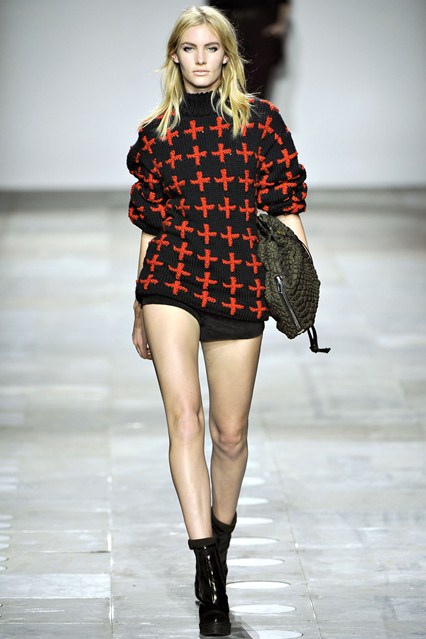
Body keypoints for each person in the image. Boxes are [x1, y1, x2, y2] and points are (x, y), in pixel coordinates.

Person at [127, 5, 307, 636]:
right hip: (171, 279)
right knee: (186, 420)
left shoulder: (261, 123)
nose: (200, 59)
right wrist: (139, 305)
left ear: (227, 55)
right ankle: (206, 570)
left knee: (230, 435)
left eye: (211, 48)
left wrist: (300, 285)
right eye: (189, 48)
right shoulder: (156, 133)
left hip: (237, 278)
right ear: (174, 57)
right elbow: (152, 224)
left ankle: (220, 545)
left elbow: (285, 204)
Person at [208, 0, 292, 98]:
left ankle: (255, 107)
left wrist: (280, 24)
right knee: (229, 77)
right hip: (231, 25)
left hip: (261, 28)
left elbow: (284, 2)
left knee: (258, 82)